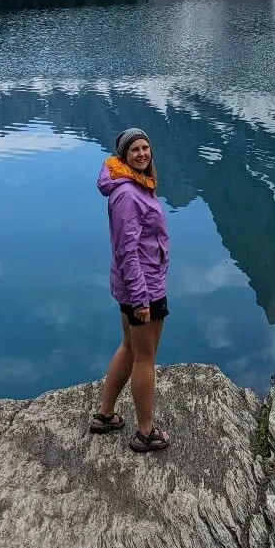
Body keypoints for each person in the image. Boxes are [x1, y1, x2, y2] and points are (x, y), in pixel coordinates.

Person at [92, 128, 171, 452]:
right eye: (134, 149)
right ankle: (145, 432)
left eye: (145, 147)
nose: (142, 153)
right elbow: (127, 250)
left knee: (128, 346)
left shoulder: (136, 185)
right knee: (145, 358)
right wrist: (141, 299)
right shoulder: (127, 194)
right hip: (144, 288)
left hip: (136, 285)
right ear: (124, 156)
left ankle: (105, 414)